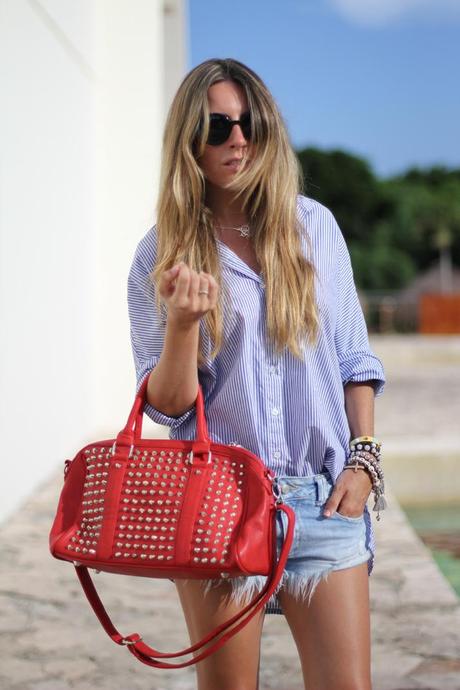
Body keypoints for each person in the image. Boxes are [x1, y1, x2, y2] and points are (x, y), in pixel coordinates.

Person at [127, 57, 385, 690]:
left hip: (322, 498)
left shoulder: (314, 228)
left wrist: (364, 459)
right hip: (216, 504)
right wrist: (185, 325)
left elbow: (354, 359)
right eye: (217, 127)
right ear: (190, 138)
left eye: (251, 124)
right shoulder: (160, 253)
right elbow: (168, 408)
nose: (237, 140)